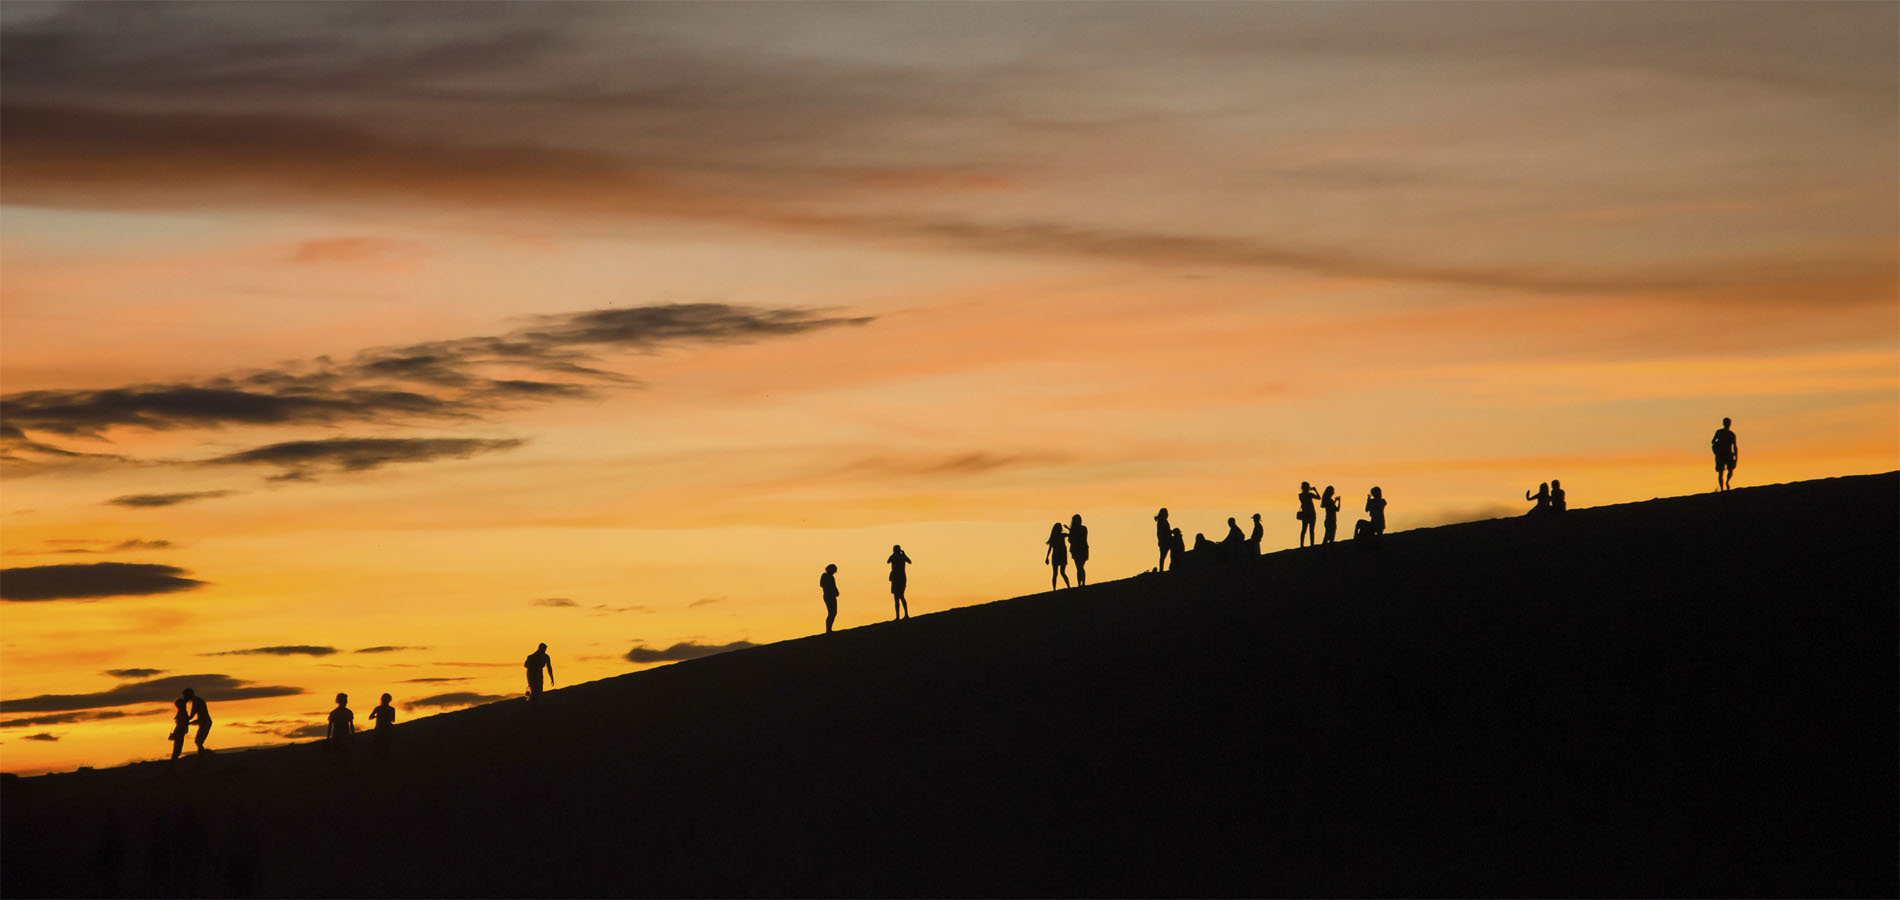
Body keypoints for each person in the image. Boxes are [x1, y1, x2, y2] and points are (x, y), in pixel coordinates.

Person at [182, 687, 212, 755]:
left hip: (204, 722)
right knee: (198, 741)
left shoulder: (197, 701)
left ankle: (203, 756)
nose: (184, 697)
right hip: (203, 722)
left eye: (185, 696)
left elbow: (191, 716)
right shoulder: (197, 700)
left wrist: (186, 721)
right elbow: (192, 716)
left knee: (198, 741)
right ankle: (202, 756)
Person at [326, 692, 353, 766]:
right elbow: (330, 726)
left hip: (341, 737)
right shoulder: (347, 712)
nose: (346, 702)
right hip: (340, 737)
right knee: (340, 757)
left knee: (341, 757)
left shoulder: (334, 713)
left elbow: (330, 726)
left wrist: (328, 738)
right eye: (345, 700)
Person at [1712, 417, 1738, 491]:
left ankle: (1727, 482)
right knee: (1721, 472)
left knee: (1730, 470)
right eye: (1726, 423)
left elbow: (1735, 446)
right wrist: (1716, 450)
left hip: (1729, 454)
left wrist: (1736, 457)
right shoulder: (1719, 432)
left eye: (1728, 423)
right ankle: (1722, 488)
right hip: (1720, 454)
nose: (1727, 424)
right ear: (1723, 423)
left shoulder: (1732, 434)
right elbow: (1713, 441)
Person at [368, 693, 395, 762]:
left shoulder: (378, 708)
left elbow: (370, 717)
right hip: (386, 730)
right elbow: (393, 720)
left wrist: (377, 716)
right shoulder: (391, 709)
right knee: (385, 747)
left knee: (380, 747)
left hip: (379, 729)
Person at [887, 545, 912, 620]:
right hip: (895, 579)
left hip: (900, 579)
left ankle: (906, 615)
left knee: (901, 596)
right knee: (896, 598)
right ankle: (898, 616)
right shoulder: (894, 557)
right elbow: (888, 561)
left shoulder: (902, 557)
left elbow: (909, 562)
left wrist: (904, 554)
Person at [1044, 523, 1070, 590]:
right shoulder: (1059, 536)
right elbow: (1050, 548)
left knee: (1058, 573)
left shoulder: (1058, 536)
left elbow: (1050, 548)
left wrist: (1047, 557)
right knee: (1059, 573)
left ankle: (1057, 588)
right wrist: (1047, 557)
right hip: (1058, 556)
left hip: (1059, 556)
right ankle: (1058, 588)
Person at [1068, 515, 1090, 586]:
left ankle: (1080, 584)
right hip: (1081, 549)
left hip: (1078, 549)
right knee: (1080, 567)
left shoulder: (1075, 529)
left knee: (1079, 567)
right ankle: (1081, 583)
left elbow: (1070, 540)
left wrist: (1071, 533)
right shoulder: (1083, 528)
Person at [1297, 482, 1321, 547]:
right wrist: (1315, 490)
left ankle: (1302, 545)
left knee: (1304, 530)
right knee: (1311, 530)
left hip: (1305, 514)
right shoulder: (1309, 495)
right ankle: (1312, 544)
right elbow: (1319, 497)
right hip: (1311, 514)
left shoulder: (1300, 495)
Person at [819, 564, 840, 633]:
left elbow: (834, 586)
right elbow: (822, 584)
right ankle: (828, 630)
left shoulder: (831, 577)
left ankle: (829, 629)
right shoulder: (825, 576)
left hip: (832, 596)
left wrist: (836, 592)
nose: (834, 572)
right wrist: (831, 590)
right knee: (831, 613)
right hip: (828, 596)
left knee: (833, 612)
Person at [168, 697, 189, 761]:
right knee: (177, 747)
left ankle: (174, 760)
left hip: (179, 730)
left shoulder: (182, 711)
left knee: (177, 747)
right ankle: (174, 760)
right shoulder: (182, 711)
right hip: (180, 730)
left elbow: (182, 722)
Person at [1154, 508, 1172, 572]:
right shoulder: (1162, 522)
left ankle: (1164, 568)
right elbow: (1161, 533)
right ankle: (1161, 570)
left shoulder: (1162, 521)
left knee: (1163, 556)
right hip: (1164, 541)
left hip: (1166, 540)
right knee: (1163, 556)